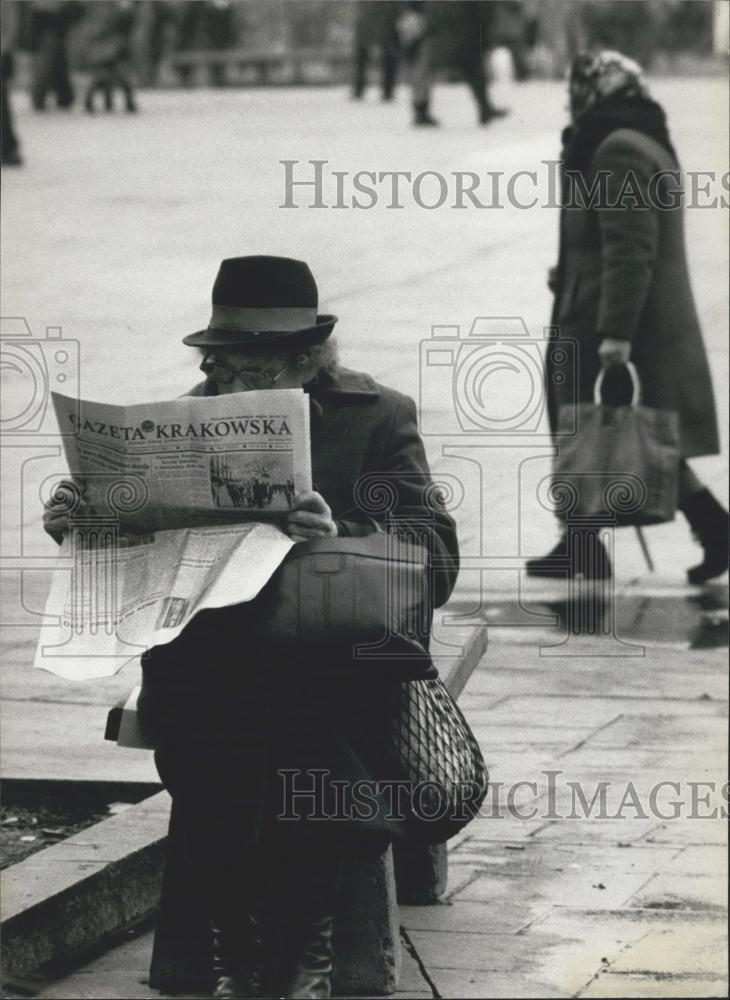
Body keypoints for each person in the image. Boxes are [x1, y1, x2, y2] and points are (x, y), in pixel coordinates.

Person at [43, 256, 459, 999]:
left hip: (328, 653)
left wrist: (340, 532)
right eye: (222, 366)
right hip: (214, 655)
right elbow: (140, 559)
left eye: (252, 367)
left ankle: (306, 955)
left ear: (307, 357)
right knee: (210, 740)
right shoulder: (179, 420)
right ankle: (240, 954)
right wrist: (85, 522)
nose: (230, 384)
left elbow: (435, 550)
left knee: (303, 738)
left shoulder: (378, 416)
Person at [528, 51, 728, 584]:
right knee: (599, 434)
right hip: (592, 304)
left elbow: (632, 249)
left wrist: (615, 333)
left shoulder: (616, 148)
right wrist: (565, 272)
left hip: (608, 320)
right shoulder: (631, 137)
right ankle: (582, 544)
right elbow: (607, 237)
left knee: (617, 434)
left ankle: (712, 525)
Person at [83, 1, 138, 114]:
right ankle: (123, 103)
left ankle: (109, 102)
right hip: (112, 48)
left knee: (109, 76)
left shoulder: (108, 11)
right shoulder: (117, 12)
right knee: (117, 76)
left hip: (109, 48)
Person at [28, 1, 83, 111]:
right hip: (50, 24)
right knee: (49, 62)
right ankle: (57, 97)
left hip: (52, 24)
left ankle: (60, 97)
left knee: (53, 62)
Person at [352, 0, 400, 102]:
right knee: (386, 64)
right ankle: (385, 92)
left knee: (387, 64)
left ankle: (385, 92)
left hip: (382, 36)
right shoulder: (384, 5)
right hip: (379, 36)